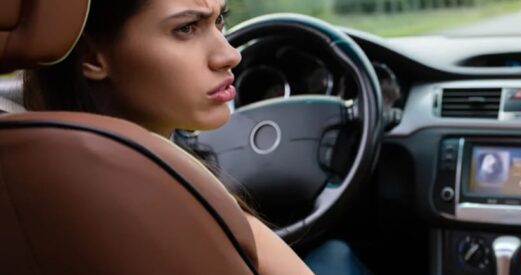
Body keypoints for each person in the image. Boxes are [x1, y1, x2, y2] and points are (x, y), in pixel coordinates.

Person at [23, 0, 367, 274]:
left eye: (220, 21)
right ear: (91, 57)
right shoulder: (172, 194)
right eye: (186, 28)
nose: (230, 55)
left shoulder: (31, 162)